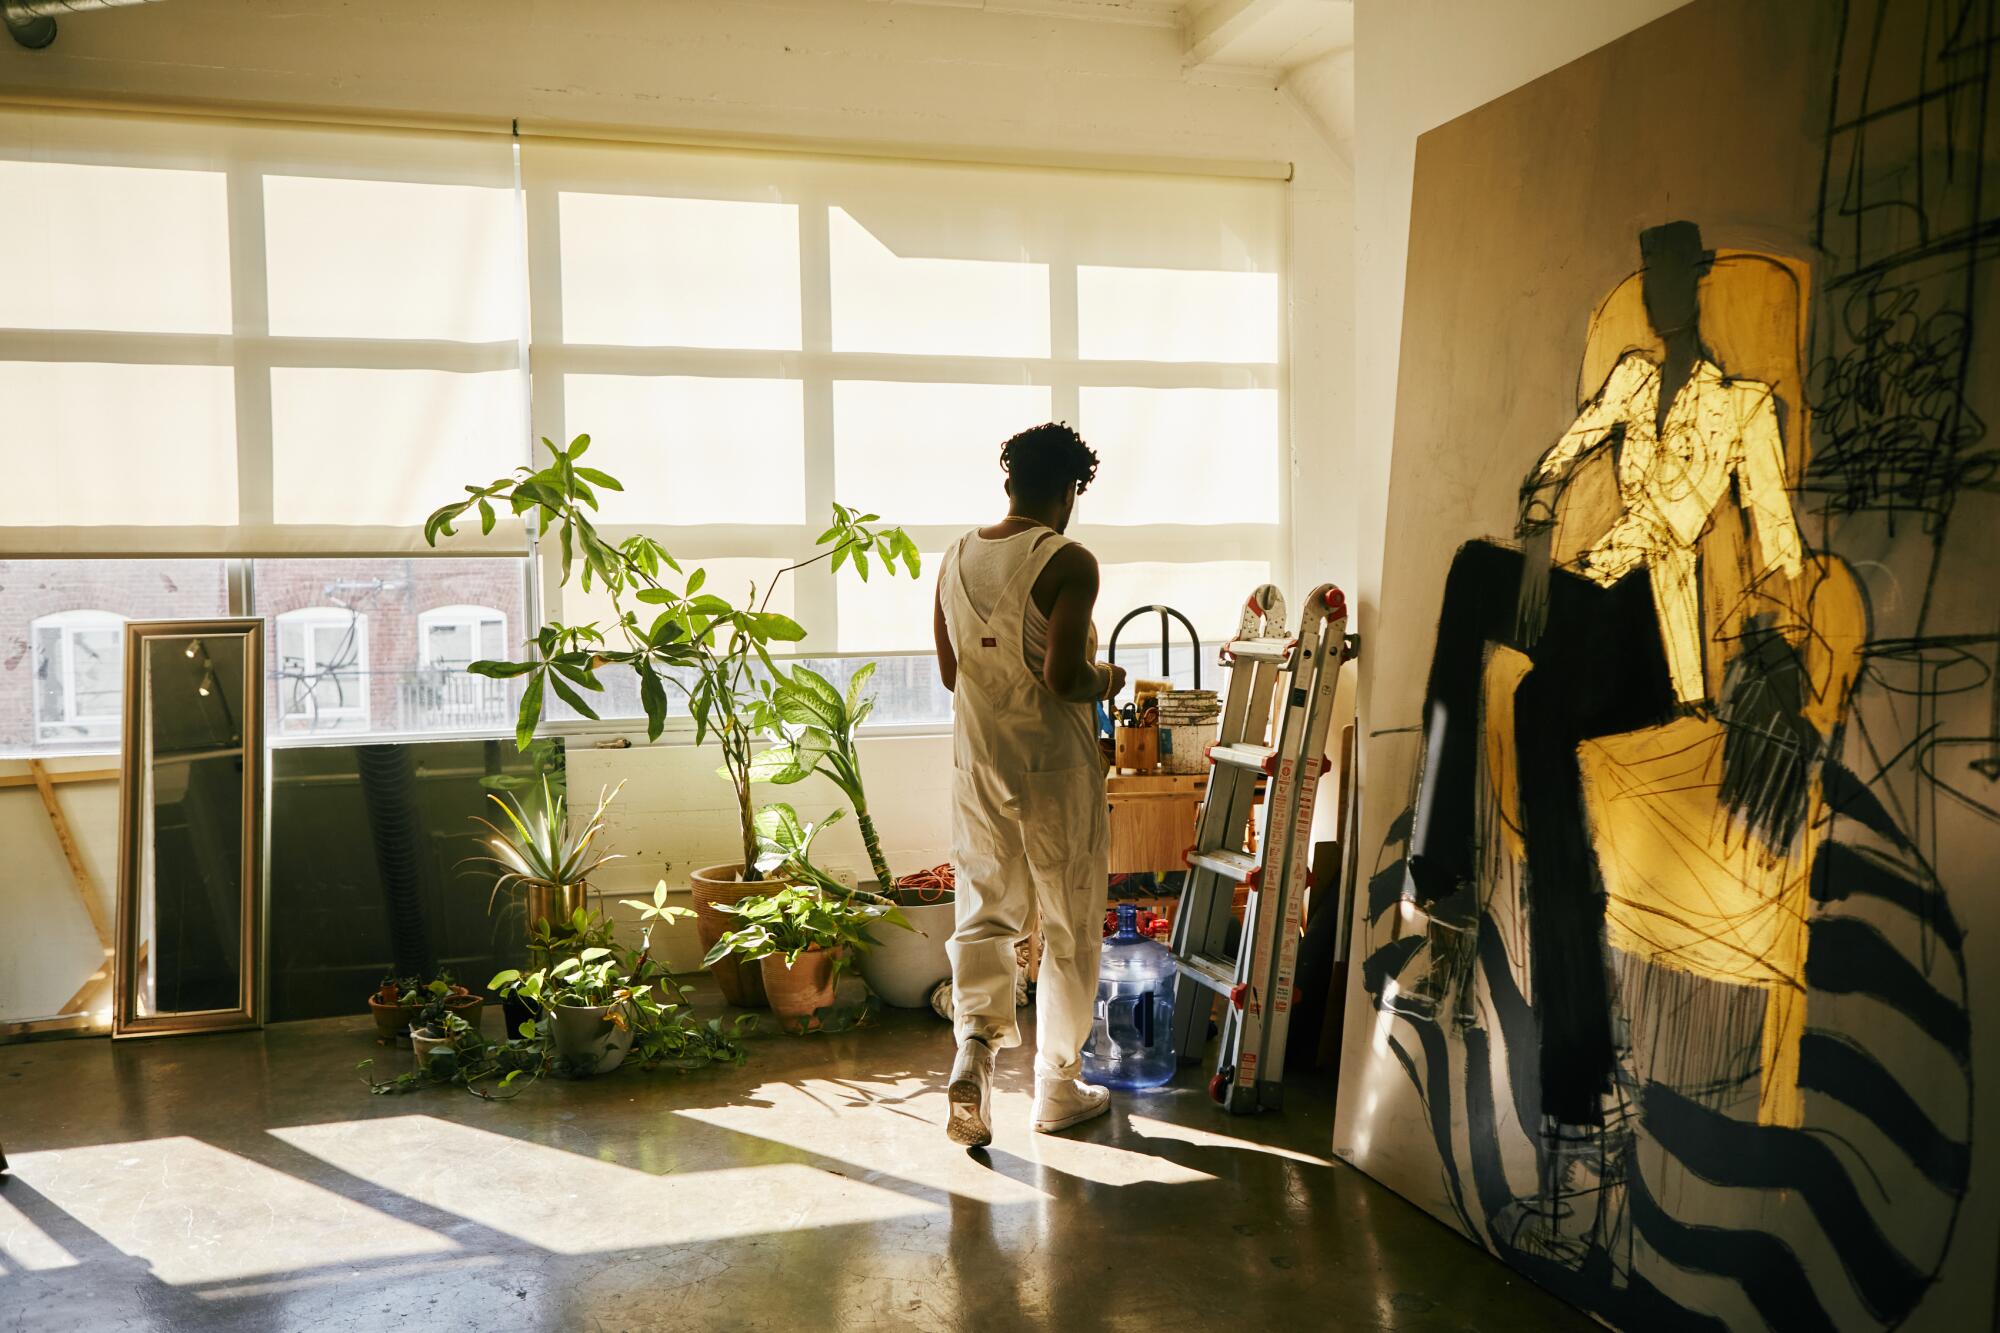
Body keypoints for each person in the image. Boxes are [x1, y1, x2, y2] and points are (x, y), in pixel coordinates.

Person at [1403, 221, 1806, 1127]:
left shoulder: (1742, 409)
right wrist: (1542, 539)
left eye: (1673, 278)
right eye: (1650, 278)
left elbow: (1778, 546)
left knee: (1512, 636)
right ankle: (1574, 1072)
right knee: (1495, 608)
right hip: (1583, 605)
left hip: (1652, 646)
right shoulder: (1629, 377)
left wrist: (1773, 645)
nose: (1660, 295)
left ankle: (1440, 869)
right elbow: (1550, 467)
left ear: (1693, 287)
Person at [933, 421, 1127, 1147]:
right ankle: (1056, 1086)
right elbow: (1065, 677)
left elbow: (954, 674)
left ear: (1009, 480)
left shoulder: (954, 558)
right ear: (1069, 490)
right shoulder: (1068, 560)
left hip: (979, 769)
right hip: (1055, 774)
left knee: (984, 916)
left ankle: (973, 1056)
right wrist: (1111, 677)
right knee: (1069, 924)